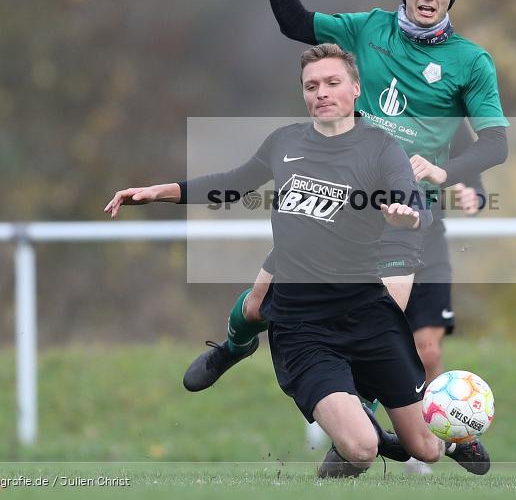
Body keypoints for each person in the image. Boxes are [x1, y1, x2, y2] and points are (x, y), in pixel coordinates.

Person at [105, 44, 491, 477]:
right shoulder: (285, 141)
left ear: (356, 88)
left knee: (427, 451)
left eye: (332, 83)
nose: (321, 93)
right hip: (303, 325)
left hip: (368, 316)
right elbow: (233, 183)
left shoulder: (382, 150)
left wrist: (405, 217)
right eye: (312, 86)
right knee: (360, 449)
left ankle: (431, 432)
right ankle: (350, 426)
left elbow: (411, 208)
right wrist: (162, 191)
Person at [184, 0, 509, 404]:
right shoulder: (369, 29)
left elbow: (494, 144)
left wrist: (451, 175)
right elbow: (295, 23)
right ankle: (234, 344)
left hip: (406, 213)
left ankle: (367, 435)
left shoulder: (471, 62)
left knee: (388, 330)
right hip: (341, 198)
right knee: (260, 305)